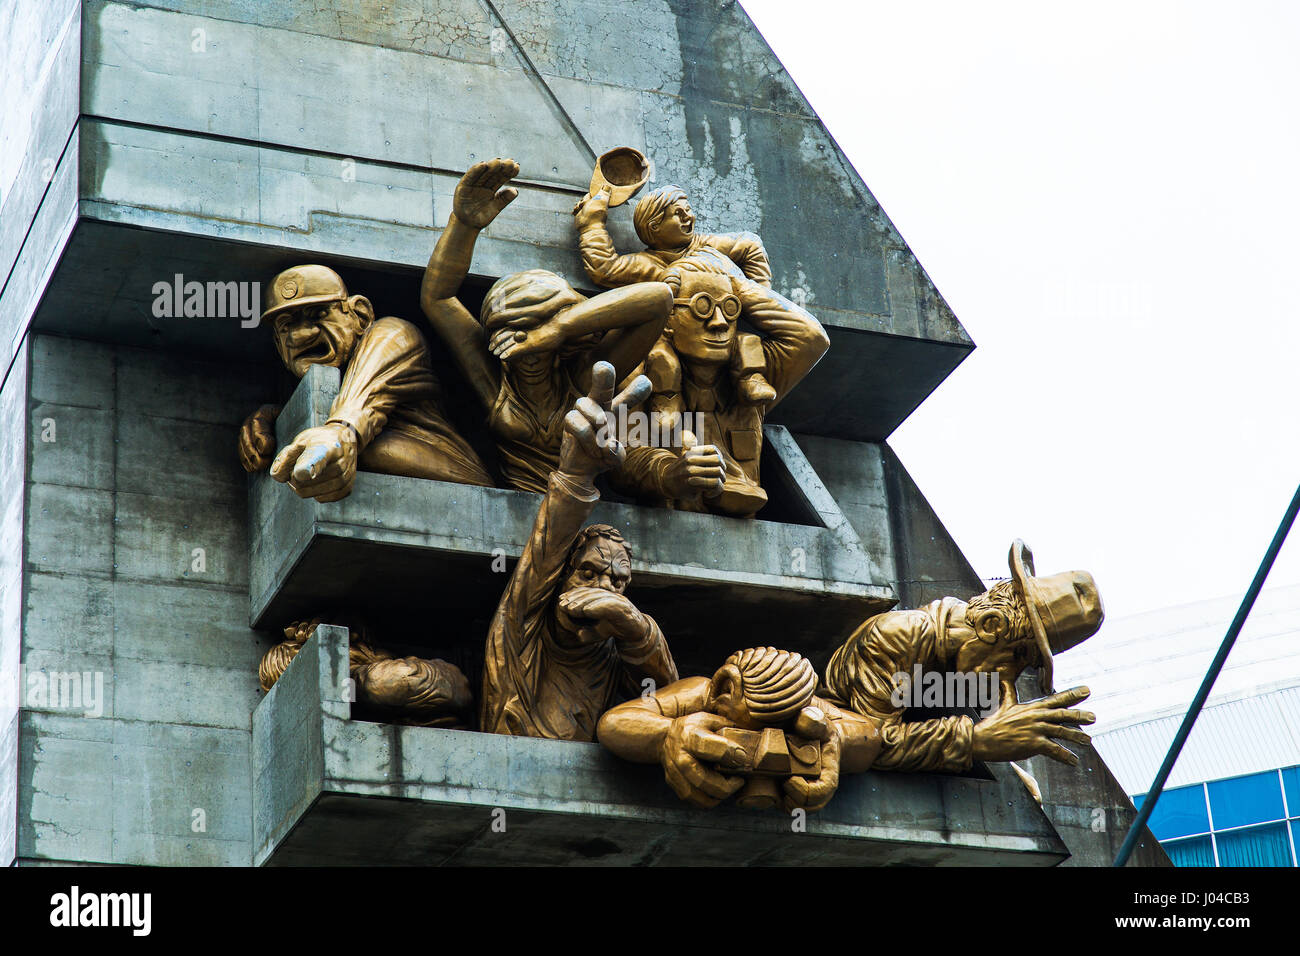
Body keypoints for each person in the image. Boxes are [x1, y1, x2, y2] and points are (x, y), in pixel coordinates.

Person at [420, 159, 680, 493]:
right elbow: (437, 299)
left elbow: (659, 299)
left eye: (534, 335)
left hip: (581, 507)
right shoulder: (495, 384)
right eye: (511, 331)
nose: (526, 351)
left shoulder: (582, 378)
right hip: (517, 508)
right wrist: (463, 225)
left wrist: (558, 328)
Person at [479, 362, 680, 741]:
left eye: (618, 582)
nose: (602, 588)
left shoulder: (612, 656)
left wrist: (634, 625)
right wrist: (575, 476)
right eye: (587, 573)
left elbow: (669, 706)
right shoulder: (523, 632)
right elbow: (546, 553)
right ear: (560, 578)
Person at [819, 540, 1105, 773]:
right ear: (991, 625)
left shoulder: (959, 666)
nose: (1010, 678)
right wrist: (976, 742)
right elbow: (871, 743)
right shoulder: (900, 633)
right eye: (1019, 655)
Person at [238, 264, 493, 502]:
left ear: (360, 315)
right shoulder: (320, 380)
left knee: (369, 451)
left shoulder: (393, 335)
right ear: (277, 344)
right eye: (286, 326)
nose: (302, 335)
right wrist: (282, 422)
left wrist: (340, 433)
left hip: (470, 494)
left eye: (319, 315)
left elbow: (362, 403)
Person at [611, 268, 829, 517]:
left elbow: (811, 337)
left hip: (741, 532)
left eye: (729, 309)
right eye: (701, 307)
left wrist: (734, 282)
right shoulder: (639, 370)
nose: (719, 322)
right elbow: (619, 460)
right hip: (669, 523)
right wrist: (671, 474)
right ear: (669, 319)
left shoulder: (756, 377)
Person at [574, 183, 779, 416]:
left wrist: (756, 298)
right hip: (672, 337)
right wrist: (592, 223)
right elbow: (604, 268)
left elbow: (750, 245)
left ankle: (750, 379)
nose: (688, 217)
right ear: (655, 226)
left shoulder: (706, 247)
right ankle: (667, 399)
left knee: (745, 341)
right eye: (678, 214)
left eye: (688, 210)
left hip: (720, 327)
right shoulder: (647, 265)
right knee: (659, 352)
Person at [598, 646, 883, 812]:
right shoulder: (702, 693)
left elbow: (869, 734)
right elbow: (615, 722)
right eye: (749, 733)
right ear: (726, 689)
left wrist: (832, 738)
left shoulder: (806, 704)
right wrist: (669, 734)